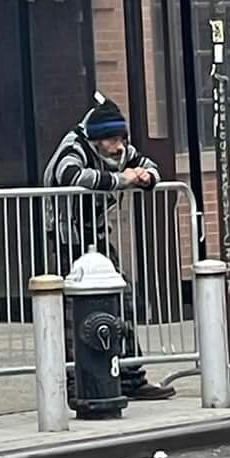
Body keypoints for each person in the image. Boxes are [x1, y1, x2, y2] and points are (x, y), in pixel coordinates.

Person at [42, 94, 176, 401]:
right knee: (73, 311)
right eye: (112, 140)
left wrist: (145, 178)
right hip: (67, 237)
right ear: (97, 139)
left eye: (121, 139)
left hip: (98, 236)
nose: (118, 147)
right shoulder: (74, 146)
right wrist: (121, 180)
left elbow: (147, 165)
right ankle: (75, 380)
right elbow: (72, 175)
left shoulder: (119, 149)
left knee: (122, 298)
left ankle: (130, 375)